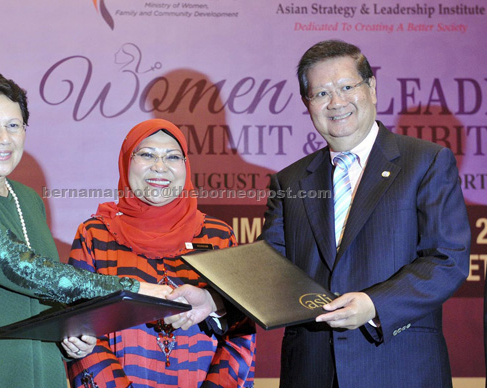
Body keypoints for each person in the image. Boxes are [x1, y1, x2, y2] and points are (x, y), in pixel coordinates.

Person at [0, 67, 174, 388]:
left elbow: (42, 295)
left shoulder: (28, 199)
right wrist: (130, 288)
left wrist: (73, 334)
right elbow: (24, 270)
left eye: (13, 125)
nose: (3, 138)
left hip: (35, 373)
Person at [259, 40, 470, 388]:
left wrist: (375, 304)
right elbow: (268, 270)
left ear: (371, 88)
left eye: (346, 87)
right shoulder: (290, 180)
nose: (336, 102)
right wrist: (212, 300)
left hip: (400, 367)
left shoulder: (426, 161)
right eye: (321, 93)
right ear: (307, 103)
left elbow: (448, 259)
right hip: (312, 371)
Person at [66, 118, 256, 388]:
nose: (160, 167)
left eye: (172, 157)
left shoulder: (218, 236)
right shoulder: (95, 235)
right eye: (146, 154)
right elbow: (79, 326)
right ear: (126, 162)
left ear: (186, 167)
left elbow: (242, 327)